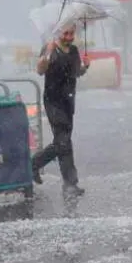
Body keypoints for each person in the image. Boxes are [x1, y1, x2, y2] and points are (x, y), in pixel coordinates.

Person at [32, 23, 90, 198]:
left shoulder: (73, 51)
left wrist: (85, 67)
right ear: (59, 34)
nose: (69, 37)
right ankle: (69, 183)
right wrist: (48, 54)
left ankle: (36, 166)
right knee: (63, 141)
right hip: (53, 101)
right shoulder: (50, 48)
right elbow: (40, 70)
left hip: (68, 101)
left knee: (63, 141)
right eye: (66, 33)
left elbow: (75, 72)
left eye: (71, 34)